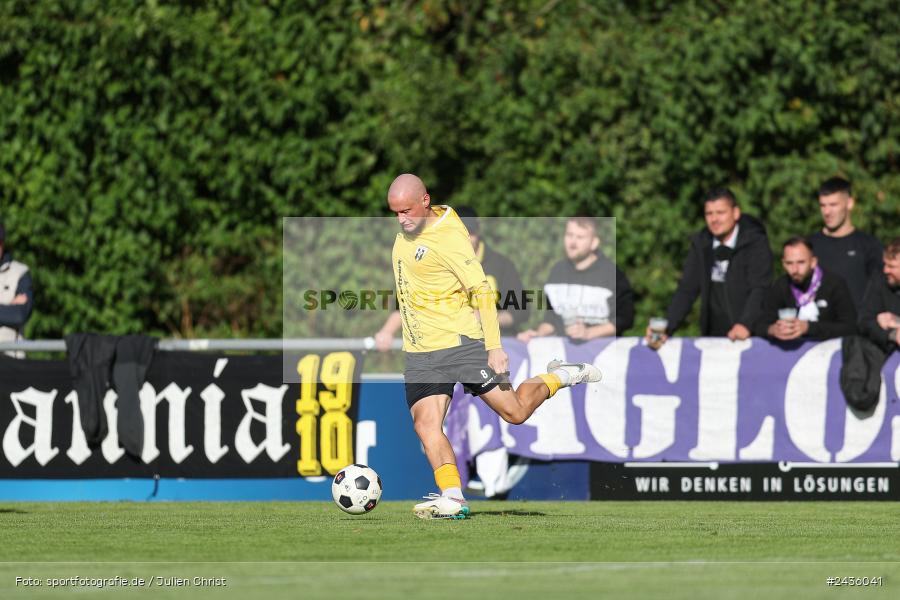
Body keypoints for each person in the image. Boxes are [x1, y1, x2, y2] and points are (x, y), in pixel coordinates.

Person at [385, 174, 601, 520]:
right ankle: (452, 497)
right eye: (395, 213)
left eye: (406, 210)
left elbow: (482, 291)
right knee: (425, 425)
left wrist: (494, 346)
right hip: (422, 354)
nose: (401, 219)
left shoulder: (450, 237)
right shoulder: (412, 228)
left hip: (462, 345)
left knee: (514, 412)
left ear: (425, 200)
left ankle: (559, 376)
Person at [373, 206, 528, 350]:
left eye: (470, 233)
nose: (465, 239)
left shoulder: (501, 265)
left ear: (478, 231)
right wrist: (387, 332)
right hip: (447, 349)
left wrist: (481, 318)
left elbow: (520, 310)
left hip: (495, 345)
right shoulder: (431, 260)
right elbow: (408, 302)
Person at [646, 187, 772, 348]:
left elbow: (760, 288)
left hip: (751, 337)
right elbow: (687, 290)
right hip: (714, 339)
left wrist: (745, 324)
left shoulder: (755, 242)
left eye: (720, 213)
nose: (714, 219)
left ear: (735, 213)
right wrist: (667, 327)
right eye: (709, 214)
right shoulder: (701, 243)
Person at [517, 216, 633, 343]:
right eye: (569, 235)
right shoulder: (557, 271)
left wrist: (589, 333)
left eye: (580, 237)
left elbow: (625, 319)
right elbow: (552, 319)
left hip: (603, 356)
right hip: (565, 358)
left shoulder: (612, 274)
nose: (572, 242)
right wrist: (537, 335)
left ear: (594, 242)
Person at [754, 237, 857, 341]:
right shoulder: (780, 286)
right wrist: (772, 330)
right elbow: (759, 324)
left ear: (813, 262)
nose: (795, 269)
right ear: (783, 264)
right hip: (791, 354)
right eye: (789, 263)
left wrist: (808, 328)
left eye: (801, 262)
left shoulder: (834, 284)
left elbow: (850, 327)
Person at [809, 177, 883, 310]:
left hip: (857, 328)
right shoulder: (810, 246)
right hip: (818, 327)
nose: (827, 212)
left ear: (849, 203)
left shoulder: (869, 245)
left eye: (833, 205)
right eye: (822, 205)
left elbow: (881, 291)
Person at [858, 237, 900, 353]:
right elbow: (865, 321)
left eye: (891, 266)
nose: (886, 270)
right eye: (885, 264)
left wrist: (897, 322)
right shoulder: (880, 280)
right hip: (886, 352)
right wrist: (893, 335)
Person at [0, 221, 33, 356]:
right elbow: (12, 314)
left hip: (10, 361)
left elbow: (19, 315)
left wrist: (14, 310)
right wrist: (8, 308)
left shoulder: (19, 272)